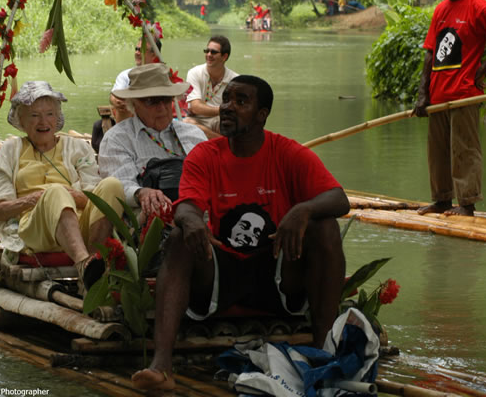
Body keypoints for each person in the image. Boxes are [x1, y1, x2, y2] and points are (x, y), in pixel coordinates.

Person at [131, 75, 350, 391]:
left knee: (326, 227)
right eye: (226, 100)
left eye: (241, 101)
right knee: (179, 237)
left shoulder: (287, 152)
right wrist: (191, 220)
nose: (228, 108)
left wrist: (303, 210)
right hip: (220, 271)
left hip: (277, 269)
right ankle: (162, 365)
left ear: (262, 114)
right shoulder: (205, 155)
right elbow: (186, 207)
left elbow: (338, 199)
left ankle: (324, 354)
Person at [0, 81, 125, 290]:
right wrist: (35, 199)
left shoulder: (76, 148)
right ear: (21, 121)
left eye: (49, 114)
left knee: (112, 186)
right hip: (34, 230)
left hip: (81, 227)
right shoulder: (12, 150)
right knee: (55, 192)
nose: (43, 121)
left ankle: (95, 266)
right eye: (34, 115)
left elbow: (94, 195)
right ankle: (84, 265)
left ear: (57, 118)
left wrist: (73, 196)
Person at [414, 0, 486, 217]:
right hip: (438, 95)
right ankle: (441, 200)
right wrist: (422, 93)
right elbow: (430, 53)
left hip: (464, 93)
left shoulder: (480, 8)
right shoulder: (440, 10)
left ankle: (467, 204)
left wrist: (482, 69)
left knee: (465, 150)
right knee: (437, 152)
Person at [98, 63, 207, 217]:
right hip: (150, 219)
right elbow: (119, 185)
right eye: (152, 101)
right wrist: (141, 193)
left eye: (165, 99)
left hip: (199, 211)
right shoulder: (118, 138)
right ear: (133, 104)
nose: (162, 107)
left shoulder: (193, 134)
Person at [90, 37, 163, 154]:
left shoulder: (163, 76)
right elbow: (114, 96)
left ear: (154, 55)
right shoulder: (126, 74)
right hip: (129, 118)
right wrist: (116, 101)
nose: (137, 53)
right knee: (122, 107)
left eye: (142, 50)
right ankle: (126, 142)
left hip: (153, 119)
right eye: (136, 49)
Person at [184, 35, 238, 139]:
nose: (208, 55)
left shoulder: (235, 80)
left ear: (224, 57)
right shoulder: (194, 73)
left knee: (234, 125)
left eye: (213, 52)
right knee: (187, 124)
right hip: (197, 119)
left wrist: (219, 111)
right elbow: (195, 107)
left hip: (219, 119)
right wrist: (224, 109)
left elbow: (236, 111)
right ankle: (222, 142)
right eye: (206, 51)